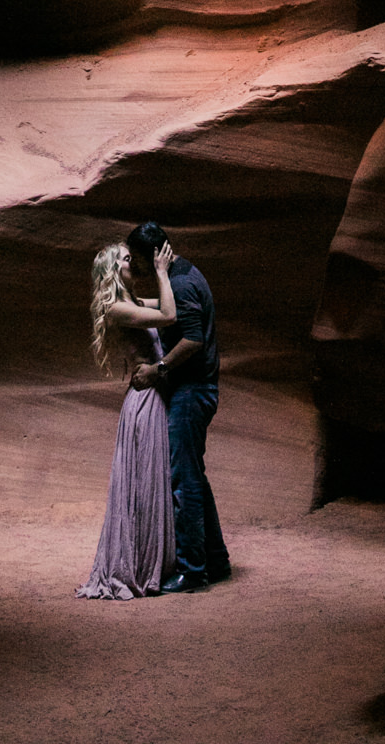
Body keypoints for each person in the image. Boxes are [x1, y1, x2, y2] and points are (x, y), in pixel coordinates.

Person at [126, 221, 231, 594]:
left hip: (191, 391)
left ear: (155, 256)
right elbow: (169, 312)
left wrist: (158, 370)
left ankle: (193, 570)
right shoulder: (184, 273)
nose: (133, 266)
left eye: (137, 258)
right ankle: (215, 560)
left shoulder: (182, 283)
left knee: (184, 481)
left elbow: (192, 339)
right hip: (196, 389)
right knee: (194, 478)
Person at [75, 238, 179, 599]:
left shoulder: (132, 302)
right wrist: (163, 273)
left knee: (153, 481)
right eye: (124, 258)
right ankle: (138, 567)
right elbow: (168, 315)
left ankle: (158, 563)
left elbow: (171, 303)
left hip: (154, 394)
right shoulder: (118, 308)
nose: (130, 261)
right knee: (146, 482)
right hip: (145, 400)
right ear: (111, 271)